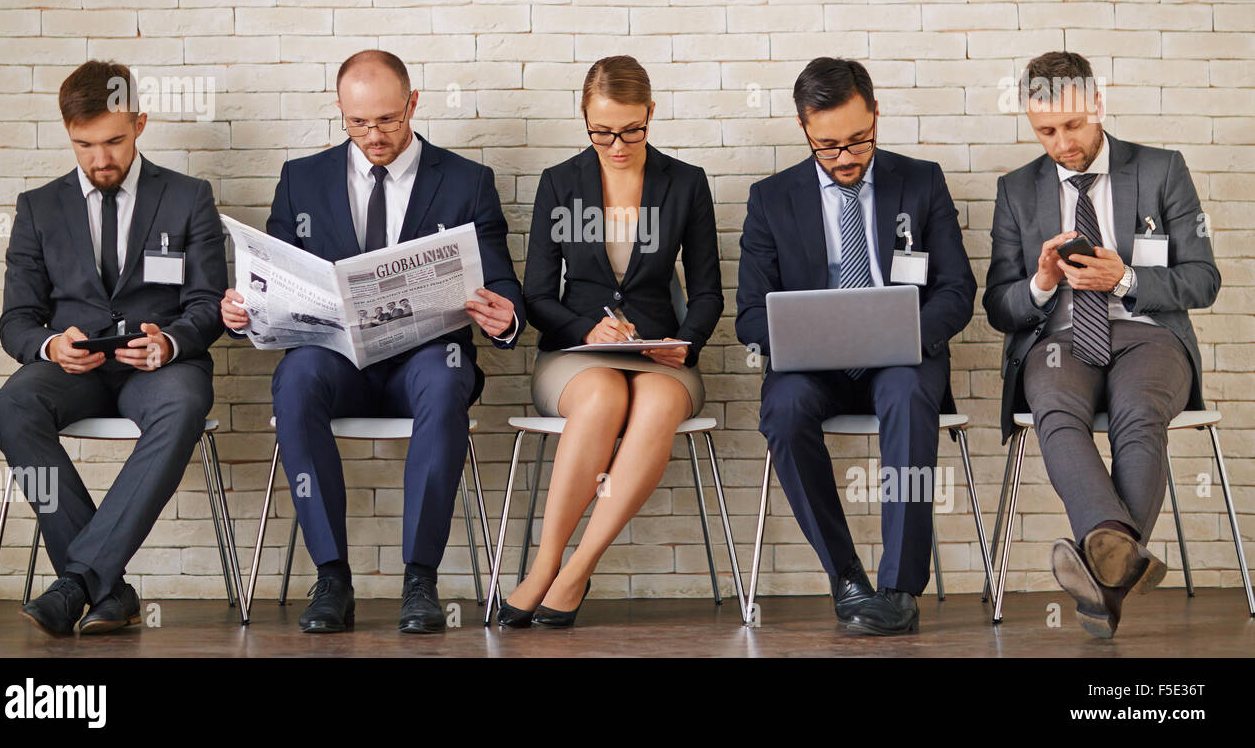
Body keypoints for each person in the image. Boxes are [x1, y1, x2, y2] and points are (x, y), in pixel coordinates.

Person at [221, 49, 524, 634]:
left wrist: (504, 315)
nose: (373, 136)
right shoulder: (300, 180)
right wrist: (244, 309)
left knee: (445, 375)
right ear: (340, 111)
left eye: (386, 120)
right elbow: (271, 278)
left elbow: (502, 279)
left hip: (426, 360)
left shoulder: (466, 181)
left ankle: (420, 579)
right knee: (296, 377)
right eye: (357, 123)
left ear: (413, 104)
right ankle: (332, 577)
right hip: (335, 362)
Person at [984, 50, 1220, 639]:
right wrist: (1040, 283)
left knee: (1140, 414)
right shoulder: (1016, 191)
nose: (1062, 143)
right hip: (1060, 337)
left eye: (1073, 125)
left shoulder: (1162, 170)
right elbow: (997, 307)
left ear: (1097, 104)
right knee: (1055, 411)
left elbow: (1204, 279)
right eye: (1045, 131)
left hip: (1149, 334)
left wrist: (1127, 279)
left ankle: (1099, 570)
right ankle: (1115, 565)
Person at [736, 58, 975, 635]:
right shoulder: (771, 199)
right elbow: (749, 312)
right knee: (785, 411)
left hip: (901, 355)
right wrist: (800, 335)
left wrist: (905, 333)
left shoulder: (922, 180)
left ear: (875, 112)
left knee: (908, 395)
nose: (845, 158)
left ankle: (898, 588)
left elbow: (956, 288)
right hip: (813, 368)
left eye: (859, 141)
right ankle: (846, 576)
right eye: (828, 146)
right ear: (803, 128)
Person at [0, 59, 227, 635]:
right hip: (74, 369)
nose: (101, 160)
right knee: (13, 404)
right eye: (84, 145)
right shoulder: (37, 207)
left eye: (115, 141)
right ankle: (105, 587)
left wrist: (170, 343)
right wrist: (50, 347)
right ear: (68, 135)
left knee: (182, 407)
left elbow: (208, 303)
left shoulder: (190, 197)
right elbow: (16, 320)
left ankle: (76, 582)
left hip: (159, 368)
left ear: (140, 124)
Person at [498, 55, 723, 628]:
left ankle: (576, 571)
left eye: (631, 130)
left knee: (656, 402)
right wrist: (584, 328)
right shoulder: (561, 182)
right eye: (602, 132)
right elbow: (538, 295)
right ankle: (545, 564)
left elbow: (708, 294)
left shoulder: (685, 183)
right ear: (584, 119)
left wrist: (687, 341)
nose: (618, 145)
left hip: (660, 355)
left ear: (651, 112)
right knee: (602, 396)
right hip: (576, 355)